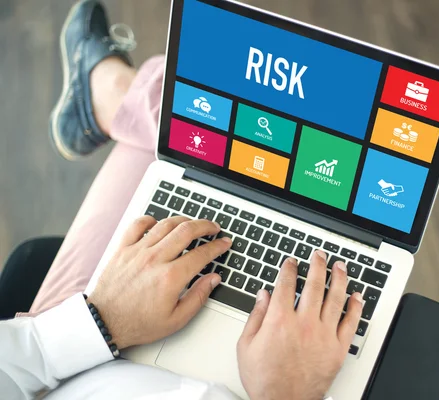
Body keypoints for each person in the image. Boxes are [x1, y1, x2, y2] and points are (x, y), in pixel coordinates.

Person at [0, 1, 364, 399]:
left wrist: (102, 318)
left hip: (76, 359)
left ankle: (112, 95)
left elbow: (18, 363)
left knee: (182, 135)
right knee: (179, 122)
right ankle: (112, 93)